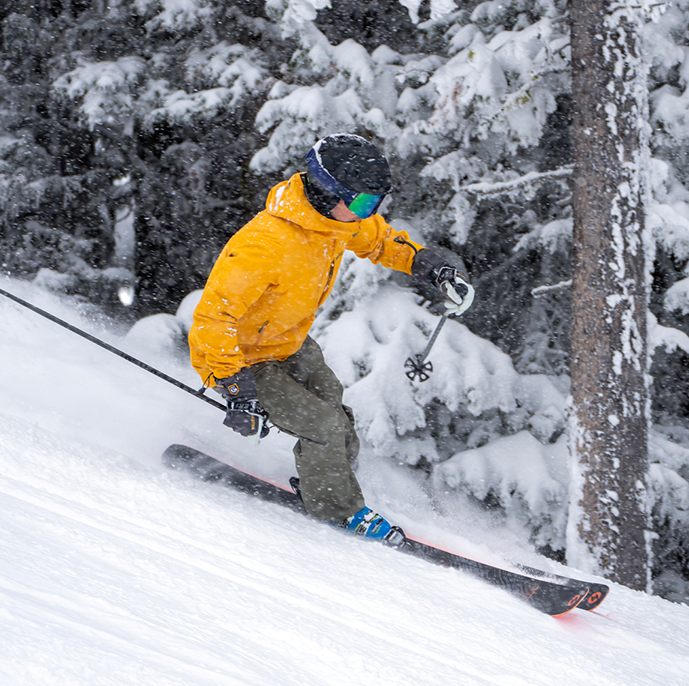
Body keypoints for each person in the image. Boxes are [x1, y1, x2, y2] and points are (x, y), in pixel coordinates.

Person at [188, 133, 474, 546]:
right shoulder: (264, 243)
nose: (366, 213)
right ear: (326, 191)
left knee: (339, 417)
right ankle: (339, 509)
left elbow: (379, 240)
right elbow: (214, 317)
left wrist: (429, 265)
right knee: (322, 425)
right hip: (243, 358)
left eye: (374, 204)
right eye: (360, 203)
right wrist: (234, 386)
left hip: (289, 344)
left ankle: (325, 485)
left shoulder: (335, 223)